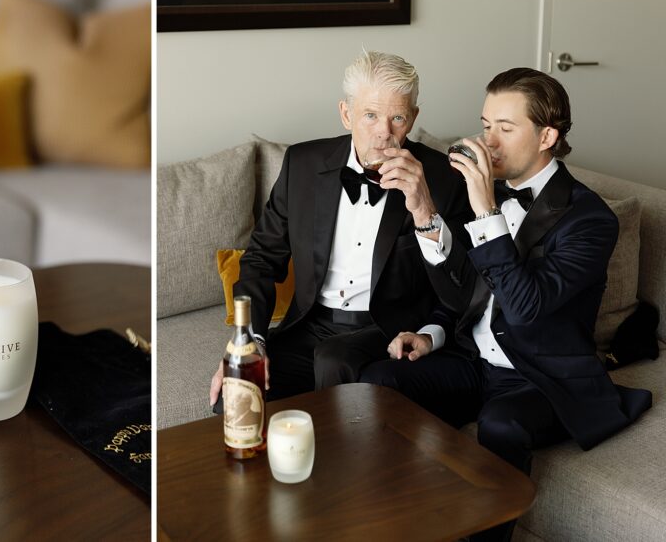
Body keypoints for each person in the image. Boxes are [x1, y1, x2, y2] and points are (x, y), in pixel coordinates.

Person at [360, 67, 652, 542]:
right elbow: (462, 293)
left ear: (547, 136)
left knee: (501, 422)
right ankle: (400, 521)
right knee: (379, 381)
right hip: (476, 361)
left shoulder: (590, 219)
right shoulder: (486, 191)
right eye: (485, 124)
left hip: (541, 375)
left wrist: (486, 213)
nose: (487, 141)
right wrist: (432, 331)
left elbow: (524, 307)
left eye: (505, 128)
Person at [210, 51, 470, 409]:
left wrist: (424, 208)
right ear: (346, 114)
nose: (384, 132)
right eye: (370, 115)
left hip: (385, 329)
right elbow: (259, 261)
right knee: (237, 393)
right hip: (309, 326)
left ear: (413, 118)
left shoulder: (443, 178)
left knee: (335, 360)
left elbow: (461, 290)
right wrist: (247, 341)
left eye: (397, 117)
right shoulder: (301, 166)